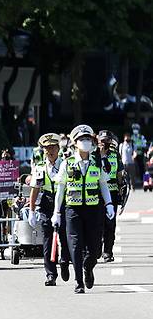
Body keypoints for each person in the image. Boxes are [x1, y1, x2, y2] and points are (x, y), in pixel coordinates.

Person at [52, 125, 114, 294]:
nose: (85, 142)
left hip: (93, 210)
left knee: (94, 248)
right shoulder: (67, 163)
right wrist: (56, 212)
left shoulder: (97, 162)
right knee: (75, 245)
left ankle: (89, 267)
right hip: (73, 210)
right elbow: (60, 189)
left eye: (88, 139)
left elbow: (103, 184)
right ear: (75, 143)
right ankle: (79, 282)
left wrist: (109, 204)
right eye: (82, 139)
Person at [28, 133, 71, 286]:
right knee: (47, 239)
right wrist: (32, 211)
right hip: (47, 203)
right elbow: (35, 189)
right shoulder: (40, 167)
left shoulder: (66, 164)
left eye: (52, 148)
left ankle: (65, 261)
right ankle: (50, 274)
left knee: (65, 235)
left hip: (64, 203)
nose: (50, 151)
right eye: (47, 148)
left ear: (58, 148)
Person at [97, 130, 123, 263]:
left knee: (110, 224)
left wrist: (120, 190)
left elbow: (119, 174)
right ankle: (96, 249)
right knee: (97, 223)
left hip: (112, 193)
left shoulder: (115, 155)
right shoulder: (93, 155)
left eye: (106, 141)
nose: (104, 144)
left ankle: (108, 252)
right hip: (96, 193)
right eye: (102, 141)